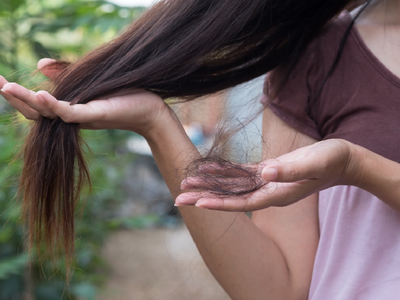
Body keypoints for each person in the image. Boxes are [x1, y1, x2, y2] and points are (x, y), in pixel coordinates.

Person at [1, 0, 400, 298]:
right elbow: (279, 288)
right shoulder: (319, 54)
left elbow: (354, 165)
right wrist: (154, 122)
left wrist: (359, 166)